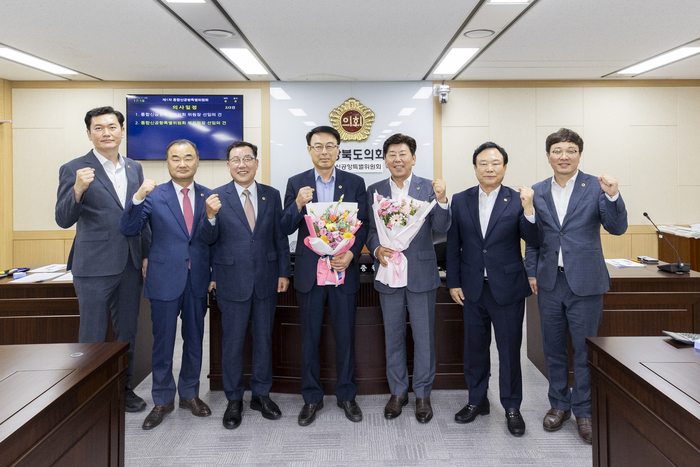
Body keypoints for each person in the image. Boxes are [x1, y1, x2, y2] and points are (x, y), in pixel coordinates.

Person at [525, 128, 627, 443]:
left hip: (586, 281)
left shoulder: (596, 187)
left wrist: (613, 195)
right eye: (557, 150)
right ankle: (559, 405)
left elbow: (618, 227)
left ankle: (584, 411)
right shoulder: (537, 191)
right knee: (554, 348)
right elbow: (533, 238)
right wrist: (531, 271)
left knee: (584, 350)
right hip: (550, 281)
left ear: (579, 154)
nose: (564, 156)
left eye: (570, 150)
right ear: (548, 156)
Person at [55, 106, 151, 412]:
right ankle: (91, 394)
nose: (106, 132)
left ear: (122, 131)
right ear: (89, 134)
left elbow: (141, 214)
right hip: (93, 264)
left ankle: (123, 389)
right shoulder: (74, 168)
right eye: (98, 128)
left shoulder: (135, 168)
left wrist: (146, 253)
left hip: (130, 263)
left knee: (127, 332)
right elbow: (63, 218)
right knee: (93, 334)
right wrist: (78, 191)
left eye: (112, 126)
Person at [446, 142, 541, 436]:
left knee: (510, 351)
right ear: (475, 168)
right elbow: (452, 244)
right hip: (473, 288)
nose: (489, 168)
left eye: (495, 163)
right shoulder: (461, 200)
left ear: (505, 167)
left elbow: (534, 238)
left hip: (508, 288)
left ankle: (512, 407)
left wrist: (528, 209)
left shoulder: (517, 199)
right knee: (474, 350)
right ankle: (477, 401)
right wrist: (453, 281)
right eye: (483, 163)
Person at [120, 139, 212, 429]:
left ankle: (189, 394)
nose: (182, 163)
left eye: (188, 157)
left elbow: (214, 239)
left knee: (195, 339)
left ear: (198, 161)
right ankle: (162, 399)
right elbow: (129, 228)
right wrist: (136, 198)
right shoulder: (152, 195)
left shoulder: (210, 196)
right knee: (163, 342)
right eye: (175, 158)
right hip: (163, 278)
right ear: (167, 162)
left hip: (196, 278)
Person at [280, 126, 368, 426]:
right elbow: (286, 227)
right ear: (309, 150)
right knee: (310, 338)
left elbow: (364, 224)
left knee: (345, 337)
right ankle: (312, 398)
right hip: (309, 273)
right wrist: (297, 204)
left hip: (343, 272)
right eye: (317, 146)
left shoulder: (355, 182)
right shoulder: (297, 183)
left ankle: (346, 395)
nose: (324, 151)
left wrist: (352, 253)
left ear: (338, 148)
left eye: (330, 145)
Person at [202, 141, 290, 430]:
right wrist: (211, 217)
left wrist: (283, 272)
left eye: (247, 158)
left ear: (256, 162)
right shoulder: (215, 197)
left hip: (266, 279)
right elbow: (208, 241)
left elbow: (279, 236)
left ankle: (261, 395)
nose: (242, 164)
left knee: (264, 340)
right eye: (235, 159)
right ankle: (234, 399)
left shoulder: (271, 195)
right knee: (233, 342)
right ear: (228, 165)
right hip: (231, 280)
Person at [366, 133, 450, 423]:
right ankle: (398, 392)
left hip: (421, 272)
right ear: (385, 159)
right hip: (389, 270)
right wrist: (376, 247)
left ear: (413, 158)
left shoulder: (429, 188)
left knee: (424, 337)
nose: (397, 159)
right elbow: (368, 229)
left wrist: (441, 200)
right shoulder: (374, 190)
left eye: (403, 154)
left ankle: (423, 394)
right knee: (393, 335)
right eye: (391, 154)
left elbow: (442, 227)